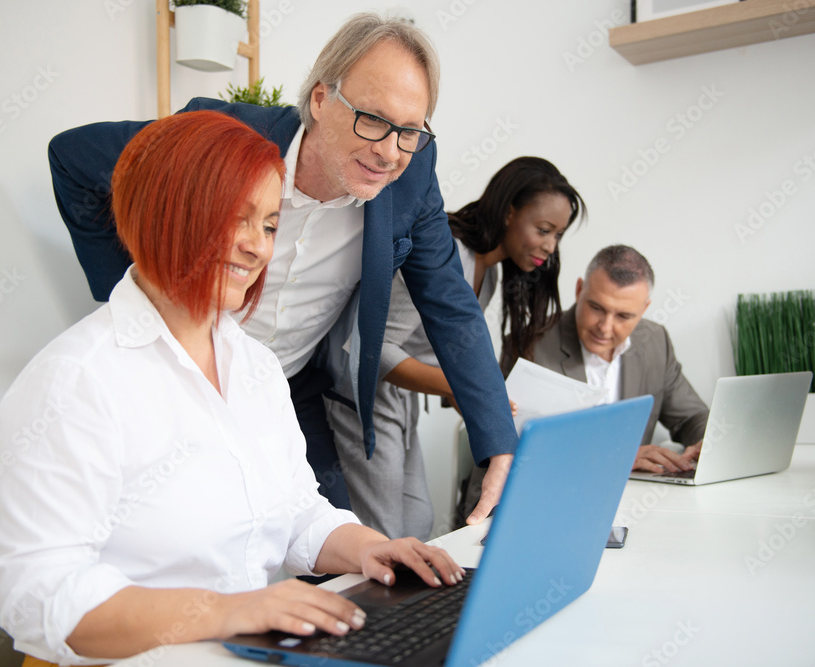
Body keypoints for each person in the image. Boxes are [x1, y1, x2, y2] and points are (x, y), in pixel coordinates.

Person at [0, 112, 463, 667]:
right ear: (163, 211)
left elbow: (295, 512)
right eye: (232, 219)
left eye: (267, 224)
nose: (255, 247)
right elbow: (37, 601)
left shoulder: (256, 365)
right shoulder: (75, 380)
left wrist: (369, 548)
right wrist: (228, 612)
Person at [47, 12, 516, 525]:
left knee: (335, 549)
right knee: (174, 531)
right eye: (374, 120)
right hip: (176, 381)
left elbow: (451, 305)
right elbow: (73, 159)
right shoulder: (221, 137)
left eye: (408, 131)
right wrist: (137, 293)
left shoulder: (412, 176)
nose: (389, 151)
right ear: (320, 99)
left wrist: (495, 442)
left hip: (286, 388)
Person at [325, 157, 586, 539]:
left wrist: (478, 401)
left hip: (401, 400)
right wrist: (457, 385)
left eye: (558, 235)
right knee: (381, 533)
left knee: (417, 522)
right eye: (544, 229)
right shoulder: (445, 258)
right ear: (510, 211)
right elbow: (367, 347)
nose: (550, 246)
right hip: (364, 397)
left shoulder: (491, 275)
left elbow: (450, 359)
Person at [529, 245, 709, 473]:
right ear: (579, 290)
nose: (605, 328)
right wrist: (615, 457)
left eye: (624, 316)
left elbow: (691, 417)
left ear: (644, 309)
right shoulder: (530, 345)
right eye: (596, 308)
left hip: (637, 495)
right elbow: (517, 445)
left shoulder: (655, 342)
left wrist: (708, 443)